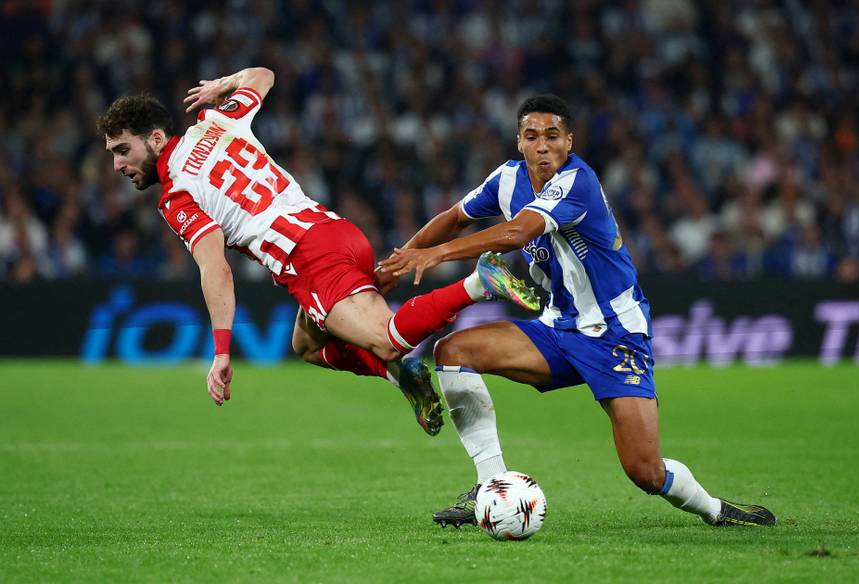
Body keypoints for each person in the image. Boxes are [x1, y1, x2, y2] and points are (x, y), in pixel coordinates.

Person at [377, 94, 776, 527]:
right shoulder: (507, 178)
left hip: (615, 334)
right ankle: (490, 487)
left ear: (569, 141)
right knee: (453, 352)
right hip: (557, 328)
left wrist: (436, 255)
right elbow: (455, 217)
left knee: (645, 471)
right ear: (519, 142)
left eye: (552, 136)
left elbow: (516, 233)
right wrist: (401, 260)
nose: (542, 146)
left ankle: (717, 510)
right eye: (532, 136)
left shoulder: (577, 182)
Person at [97, 67, 539, 436]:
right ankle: (403, 375)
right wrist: (224, 85)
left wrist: (222, 352)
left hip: (308, 259)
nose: (117, 165)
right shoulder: (216, 122)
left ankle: (479, 283)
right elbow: (263, 75)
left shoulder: (176, 195)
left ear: (157, 138)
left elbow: (216, 270)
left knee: (386, 341)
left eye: (122, 150)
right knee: (307, 345)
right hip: (336, 231)